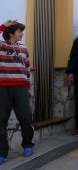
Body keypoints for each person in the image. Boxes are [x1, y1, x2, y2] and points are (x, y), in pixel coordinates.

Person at [0, 22, 34, 165]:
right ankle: (2, 152)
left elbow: (27, 68)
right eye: (20, 31)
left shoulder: (24, 48)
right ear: (12, 33)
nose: (22, 34)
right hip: (3, 88)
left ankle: (27, 144)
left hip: (20, 88)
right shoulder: (1, 47)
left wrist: (28, 87)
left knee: (26, 117)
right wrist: (2, 27)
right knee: (1, 120)